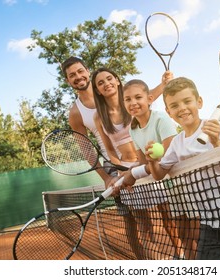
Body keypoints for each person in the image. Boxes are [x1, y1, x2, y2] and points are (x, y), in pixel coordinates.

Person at [143, 77, 220, 260]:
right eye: (175, 105)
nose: (182, 108)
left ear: (199, 102)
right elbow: (159, 174)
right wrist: (152, 161)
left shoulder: (215, 128)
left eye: (187, 101)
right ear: (168, 111)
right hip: (211, 222)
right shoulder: (177, 143)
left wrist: (217, 142)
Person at [63, 57, 163, 259]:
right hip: (114, 166)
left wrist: (165, 83)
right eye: (72, 75)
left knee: (165, 211)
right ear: (67, 81)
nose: (78, 77)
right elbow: (87, 149)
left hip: (144, 157)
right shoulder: (76, 113)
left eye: (80, 71)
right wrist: (107, 177)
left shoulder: (116, 91)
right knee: (131, 220)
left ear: (87, 71)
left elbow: (145, 98)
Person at [92, 68, 174, 259]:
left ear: (118, 80)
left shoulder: (131, 103)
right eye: (100, 83)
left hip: (147, 162)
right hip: (127, 169)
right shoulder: (99, 116)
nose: (106, 84)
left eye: (109, 78)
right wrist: (123, 172)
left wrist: (164, 82)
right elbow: (109, 150)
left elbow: (149, 96)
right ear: (97, 90)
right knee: (144, 223)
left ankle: (180, 256)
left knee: (167, 215)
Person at [120, 79, 189, 259]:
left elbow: (170, 155)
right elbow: (144, 162)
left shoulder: (161, 118)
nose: (133, 102)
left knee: (192, 234)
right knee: (184, 234)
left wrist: (135, 173)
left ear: (149, 99)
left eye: (138, 97)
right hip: (168, 185)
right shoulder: (133, 130)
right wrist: (126, 176)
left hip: (184, 182)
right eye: (127, 99)